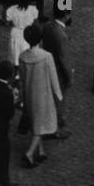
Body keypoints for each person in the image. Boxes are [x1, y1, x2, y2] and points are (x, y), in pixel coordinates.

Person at [19, 23, 63, 167]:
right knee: (42, 124)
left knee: (35, 122)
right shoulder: (46, 56)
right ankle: (30, 153)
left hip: (29, 93)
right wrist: (59, 96)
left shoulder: (22, 57)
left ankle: (41, 151)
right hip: (43, 95)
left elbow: (22, 78)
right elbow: (53, 78)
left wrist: (21, 97)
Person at [6, 0, 39, 66]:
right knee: (27, 50)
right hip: (29, 32)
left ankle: (17, 72)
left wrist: (16, 23)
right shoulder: (33, 10)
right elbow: (35, 24)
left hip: (16, 33)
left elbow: (8, 23)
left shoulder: (11, 10)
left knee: (15, 52)